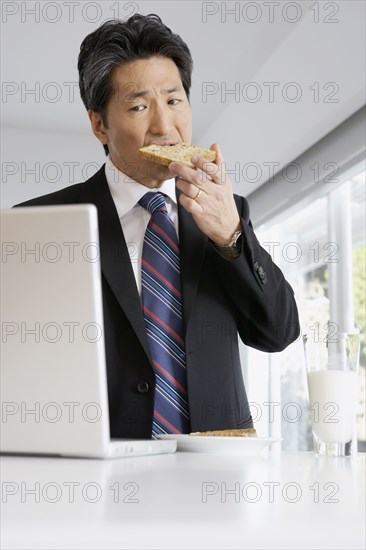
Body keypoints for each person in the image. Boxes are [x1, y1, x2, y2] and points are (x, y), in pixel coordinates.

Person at [15, 13, 300, 439]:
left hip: (216, 467)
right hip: (97, 467)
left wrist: (230, 234)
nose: (164, 127)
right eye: (138, 106)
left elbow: (278, 333)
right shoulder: (35, 225)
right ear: (99, 125)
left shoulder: (226, 210)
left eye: (174, 100)